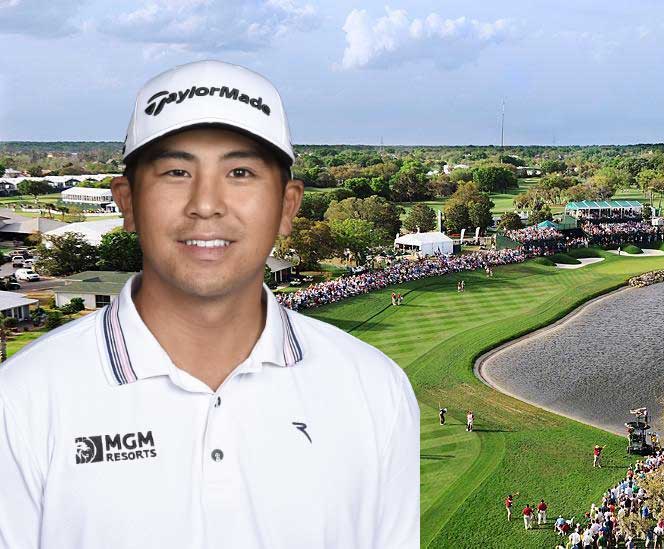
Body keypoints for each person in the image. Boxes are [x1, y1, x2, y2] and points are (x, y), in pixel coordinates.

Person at [0, 60, 420, 549]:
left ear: (287, 205)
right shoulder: (22, 399)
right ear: (127, 201)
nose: (205, 203)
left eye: (240, 172)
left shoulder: (376, 388)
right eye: (176, 172)